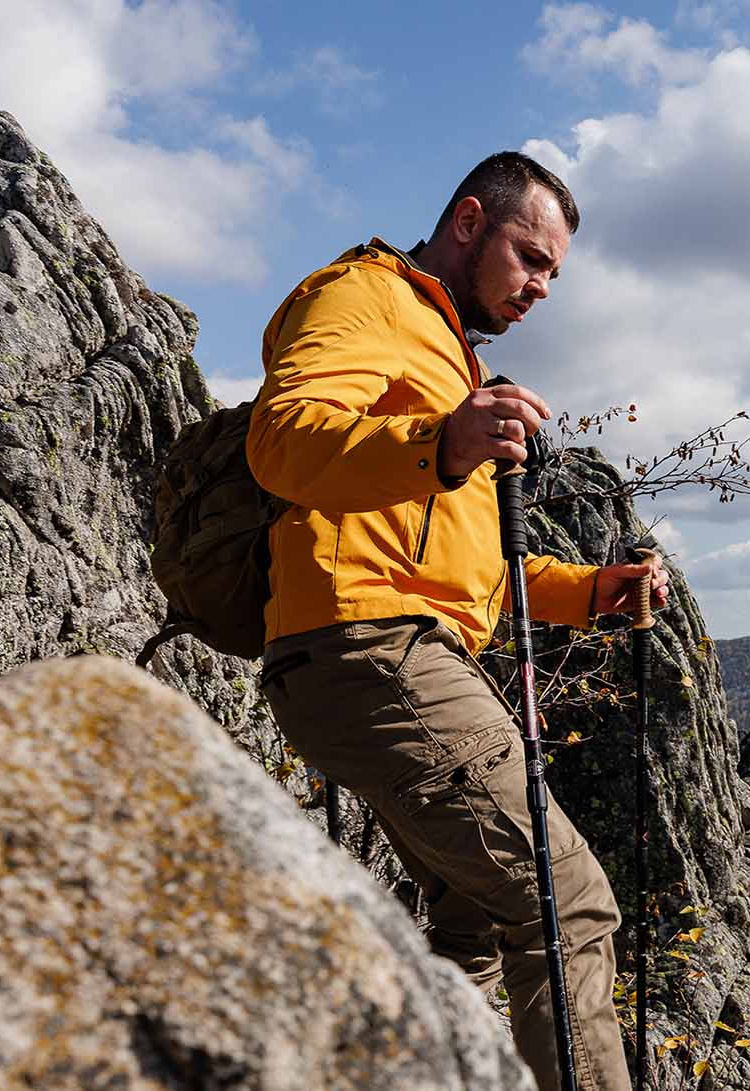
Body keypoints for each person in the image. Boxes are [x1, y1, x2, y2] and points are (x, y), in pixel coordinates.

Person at [246, 151, 661, 1091]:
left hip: (385, 648)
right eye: (530, 257)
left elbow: (466, 571)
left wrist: (593, 589)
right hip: (368, 645)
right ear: (469, 222)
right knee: (567, 900)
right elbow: (279, 438)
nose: (541, 286)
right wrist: (443, 438)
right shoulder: (364, 296)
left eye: (553, 273)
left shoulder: (443, 348)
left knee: (475, 918)